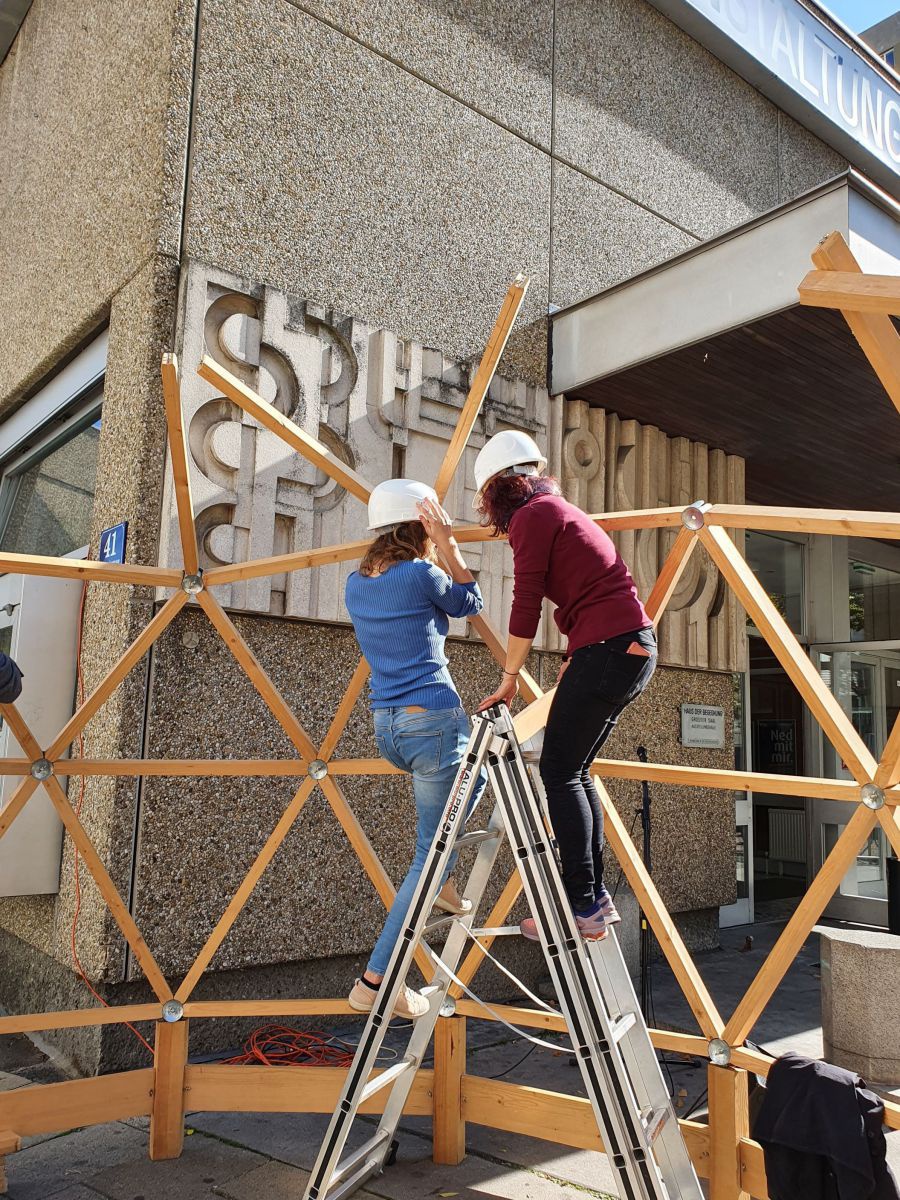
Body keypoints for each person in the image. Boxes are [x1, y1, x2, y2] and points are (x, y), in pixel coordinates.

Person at [474, 431, 657, 943]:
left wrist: (509, 677)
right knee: (575, 771)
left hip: (610, 648)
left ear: (496, 491)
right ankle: (593, 901)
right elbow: (596, 588)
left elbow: (526, 602)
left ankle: (582, 905)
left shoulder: (534, 517)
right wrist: (578, 653)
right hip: (625, 649)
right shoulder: (558, 510)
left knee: (559, 770)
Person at [344, 478, 486, 1020]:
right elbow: (469, 602)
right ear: (420, 529)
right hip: (433, 720)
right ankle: (375, 980)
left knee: (437, 835)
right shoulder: (424, 572)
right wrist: (449, 546)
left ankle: (444, 882)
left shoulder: (356, 584)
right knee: (478, 791)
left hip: (388, 728)